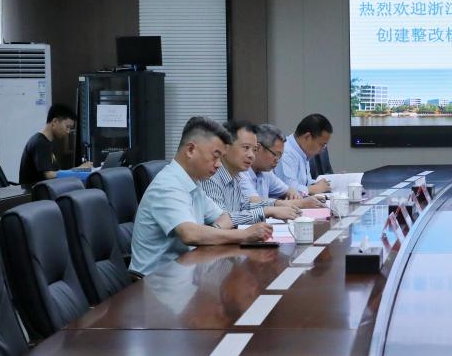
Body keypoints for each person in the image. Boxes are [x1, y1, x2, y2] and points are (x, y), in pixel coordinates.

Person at [130, 116, 271, 276]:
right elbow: (190, 234)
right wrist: (244, 235)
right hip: (157, 282)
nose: (219, 164)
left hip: (185, 273)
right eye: (215, 156)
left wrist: (214, 230)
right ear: (191, 150)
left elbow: (224, 217)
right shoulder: (168, 185)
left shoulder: (193, 182)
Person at [199, 120, 301, 224]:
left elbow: (244, 206)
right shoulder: (211, 177)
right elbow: (221, 220)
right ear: (225, 147)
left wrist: (275, 204)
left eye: (254, 149)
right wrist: (267, 211)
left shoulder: (235, 176)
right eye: (246, 148)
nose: (251, 155)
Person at [240, 124, 315, 206]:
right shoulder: (241, 171)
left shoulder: (266, 172)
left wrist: (293, 194)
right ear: (257, 148)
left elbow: (288, 190)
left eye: (280, 156)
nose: (277, 160)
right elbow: (254, 202)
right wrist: (299, 203)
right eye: (275, 154)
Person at [18, 103, 90, 187]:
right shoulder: (40, 143)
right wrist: (79, 170)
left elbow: (58, 173)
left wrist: (80, 170)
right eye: (67, 126)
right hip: (34, 194)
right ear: (54, 122)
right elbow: (50, 175)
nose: (68, 131)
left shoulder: (47, 142)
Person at [275, 113, 333, 195]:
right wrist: (314, 188)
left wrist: (319, 184)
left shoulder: (302, 151)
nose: (323, 149)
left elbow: (305, 183)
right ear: (308, 137)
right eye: (322, 144)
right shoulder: (285, 152)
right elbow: (289, 190)